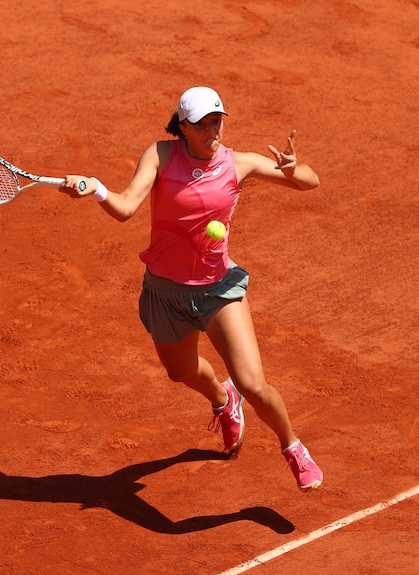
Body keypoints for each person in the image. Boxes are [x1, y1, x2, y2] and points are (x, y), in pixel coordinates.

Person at [59, 86, 323, 490]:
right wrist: (95, 189)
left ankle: (294, 448)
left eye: (217, 121)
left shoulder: (240, 165)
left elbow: (311, 182)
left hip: (218, 289)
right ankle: (223, 399)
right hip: (165, 292)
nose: (212, 130)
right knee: (179, 371)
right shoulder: (162, 156)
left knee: (253, 382)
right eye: (202, 124)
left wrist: (291, 168)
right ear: (182, 126)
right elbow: (126, 207)